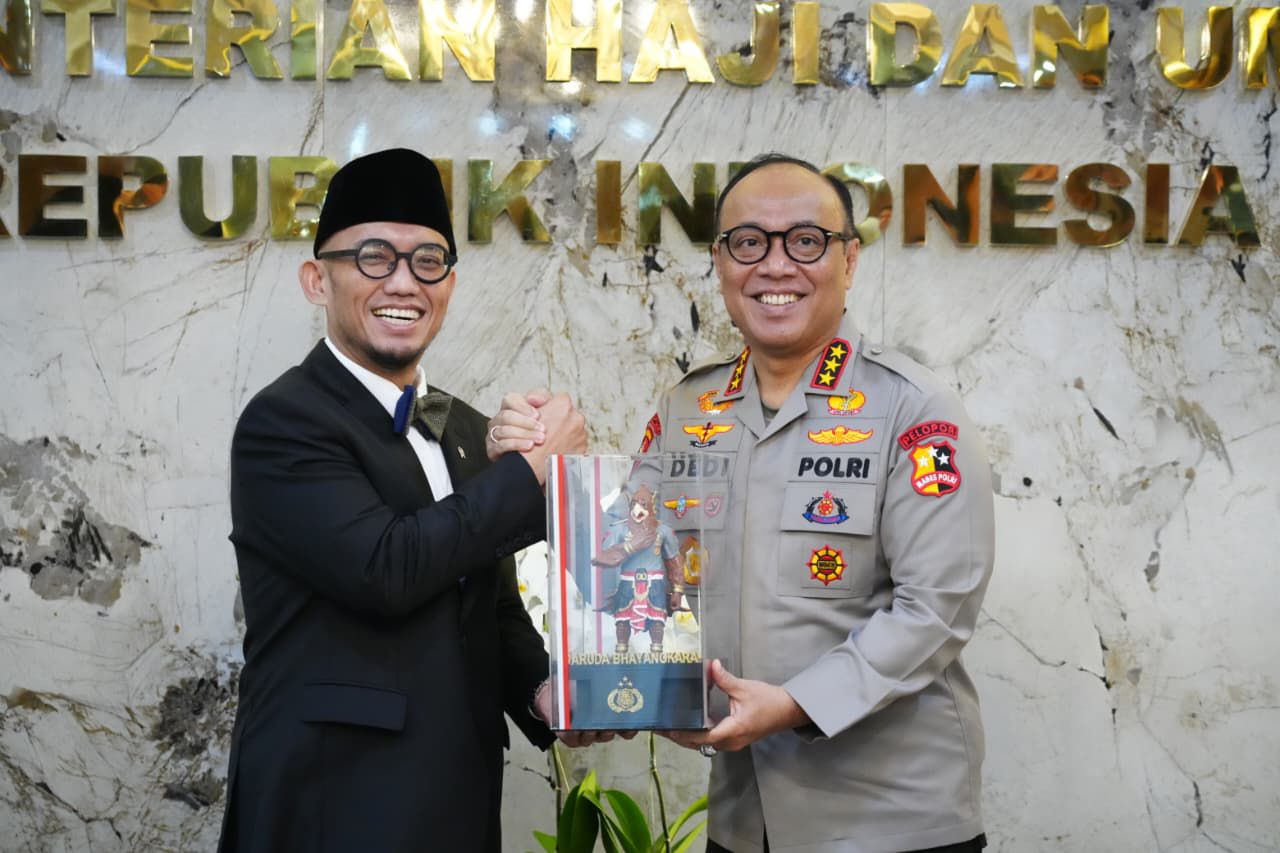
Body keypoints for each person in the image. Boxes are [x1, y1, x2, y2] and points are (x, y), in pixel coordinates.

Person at [495, 153, 996, 853]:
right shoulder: (687, 407)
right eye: (749, 242)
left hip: (889, 820)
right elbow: (625, 554)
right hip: (742, 819)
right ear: (720, 262)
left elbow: (937, 608)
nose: (776, 265)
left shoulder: (913, 409)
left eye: (806, 241)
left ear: (849, 260)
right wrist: (532, 466)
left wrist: (793, 704)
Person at [218, 148, 601, 853]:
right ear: (317, 280)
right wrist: (531, 471)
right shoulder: (284, 422)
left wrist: (546, 692)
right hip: (331, 801)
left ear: (449, 284)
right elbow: (384, 568)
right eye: (373, 258)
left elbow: (487, 599)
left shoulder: (465, 426)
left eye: (428, 261)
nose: (403, 282)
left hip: (458, 796)